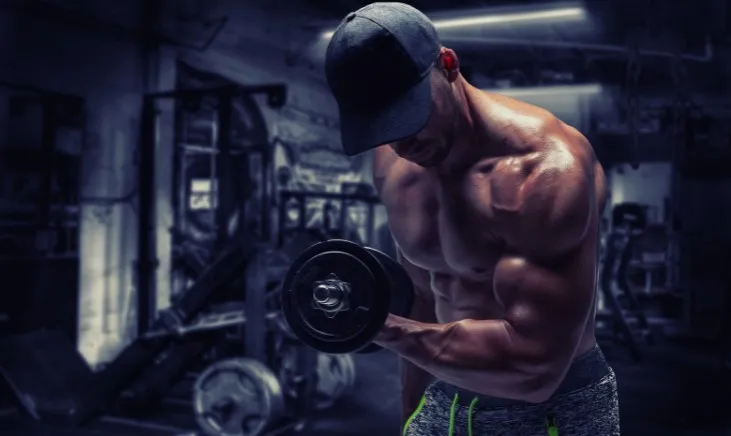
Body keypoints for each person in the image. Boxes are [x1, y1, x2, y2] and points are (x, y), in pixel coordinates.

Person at [324, 2, 618, 436]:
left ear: (447, 65)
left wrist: (375, 325)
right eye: (385, 127)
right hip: (446, 398)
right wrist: (411, 417)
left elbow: (535, 370)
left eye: (410, 116)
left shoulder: (545, 170)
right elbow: (421, 298)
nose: (404, 144)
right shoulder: (392, 163)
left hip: (552, 412)